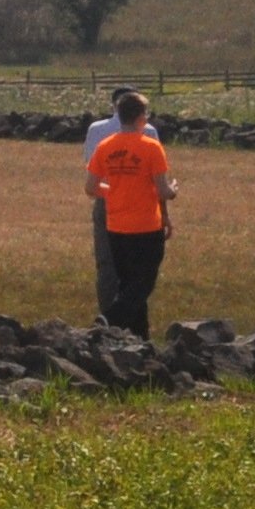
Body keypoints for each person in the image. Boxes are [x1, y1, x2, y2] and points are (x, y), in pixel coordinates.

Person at [86, 87, 176, 338]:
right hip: (146, 226)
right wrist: (173, 190)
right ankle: (109, 320)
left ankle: (139, 337)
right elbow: (162, 189)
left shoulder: (104, 146)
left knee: (127, 282)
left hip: (116, 226)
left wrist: (112, 191)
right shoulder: (151, 147)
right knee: (143, 282)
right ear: (140, 118)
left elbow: (90, 187)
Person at [83, 101, 124, 321]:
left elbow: (90, 171)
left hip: (106, 199)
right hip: (140, 203)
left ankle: (108, 315)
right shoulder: (149, 134)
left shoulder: (97, 131)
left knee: (106, 260)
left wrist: (111, 190)